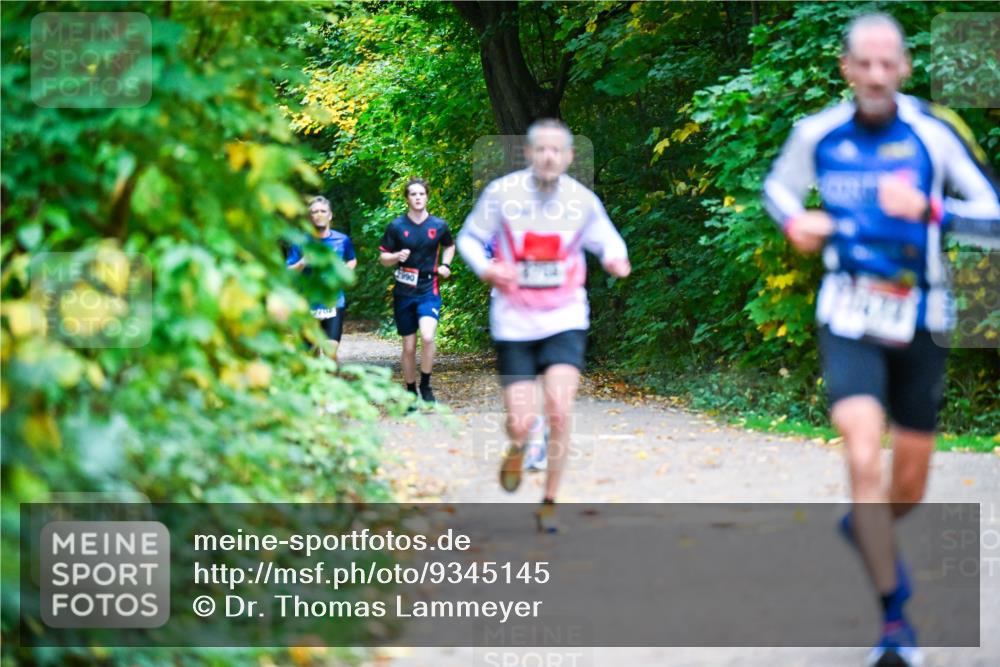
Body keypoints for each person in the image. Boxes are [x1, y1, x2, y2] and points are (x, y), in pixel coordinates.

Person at [762, 13, 999, 667]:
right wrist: (795, 221)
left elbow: (995, 216)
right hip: (848, 313)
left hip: (922, 316)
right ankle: (895, 620)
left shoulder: (935, 132)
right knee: (864, 459)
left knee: (910, 483)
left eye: (885, 64)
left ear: (904, 69)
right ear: (846, 68)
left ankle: (864, 526)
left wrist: (930, 210)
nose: (873, 75)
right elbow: (777, 191)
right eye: (861, 63)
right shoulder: (818, 133)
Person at [457, 118, 631, 532]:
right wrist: (486, 269)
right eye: (541, 149)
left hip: (564, 316)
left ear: (569, 157)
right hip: (514, 320)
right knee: (520, 420)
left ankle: (550, 503)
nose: (549, 156)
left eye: (558, 150)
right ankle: (518, 445)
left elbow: (608, 238)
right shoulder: (502, 194)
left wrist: (613, 257)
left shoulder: (581, 201)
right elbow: (467, 238)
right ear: (529, 154)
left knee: (559, 410)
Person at [379, 178, 456, 404]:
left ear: (427, 197)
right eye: (413, 194)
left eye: (421, 194)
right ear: (407, 198)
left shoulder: (438, 225)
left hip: (428, 288)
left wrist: (446, 265)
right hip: (404, 292)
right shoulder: (396, 226)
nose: (418, 198)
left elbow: (450, 245)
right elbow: (383, 258)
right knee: (409, 346)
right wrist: (395, 257)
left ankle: (426, 384)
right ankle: (411, 390)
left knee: (428, 336)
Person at [286, 196, 357, 361]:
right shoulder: (301, 242)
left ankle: (333, 384)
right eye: (314, 212)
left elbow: (352, 260)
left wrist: (344, 271)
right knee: (310, 355)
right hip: (307, 304)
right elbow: (288, 270)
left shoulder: (342, 240)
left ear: (330, 215)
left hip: (333, 302)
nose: (319, 215)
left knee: (331, 353)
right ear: (310, 217)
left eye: (323, 211)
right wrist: (303, 262)